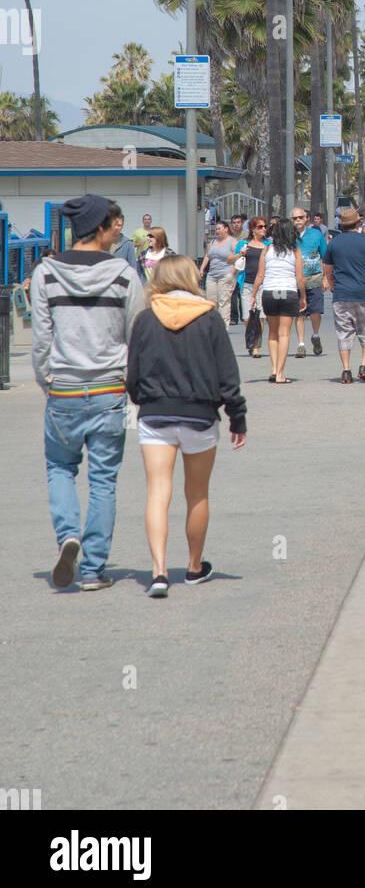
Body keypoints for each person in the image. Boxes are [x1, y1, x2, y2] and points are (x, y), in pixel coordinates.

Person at [30, 194, 144, 591]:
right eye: (114, 223)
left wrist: (48, 381)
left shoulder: (45, 273)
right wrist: (131, 384)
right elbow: (137, 334)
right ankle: (94, 571)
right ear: (99, 228)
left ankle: (68, 536)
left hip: (63, 390)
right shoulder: (125, 275)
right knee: (103, 480)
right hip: (110, 389)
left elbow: (42, 340)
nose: (118, 230)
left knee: (60, 468)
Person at [126, 255, 247, 598]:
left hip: (155, 415)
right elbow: (227, 373)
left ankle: (159, 571)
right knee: (196, 494)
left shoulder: (146, 319)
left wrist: (141, 401)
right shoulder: (208, 316)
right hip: (199, 415)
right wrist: (237, 416)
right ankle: (194, 567)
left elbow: (132, 371)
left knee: (157, 492)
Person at [323, 207, 365, 384]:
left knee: (344, 332)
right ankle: (364, 365)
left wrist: (333, 286)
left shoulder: (334, 243)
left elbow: (328, 269)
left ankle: (346, 370)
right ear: (358, 223)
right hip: (364, 292)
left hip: (341, 293)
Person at [249, 218, 307, 383]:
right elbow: (300, 278)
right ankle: (281, 373)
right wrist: (303, 297)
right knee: (284, 333)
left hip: (269, 292)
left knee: (272, 333)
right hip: (288, 292)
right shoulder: (295, 251)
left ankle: (274, 369)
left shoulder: (267, 250)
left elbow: (260, 275)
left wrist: (253, 294)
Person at [290, 206, 328, 357]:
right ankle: (301, 344)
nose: (298, 220)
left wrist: (326, 278)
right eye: (295, 218)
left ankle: (315, 335)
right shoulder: (289, 236)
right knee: (299, 313)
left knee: (316, 312)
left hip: (315, 278)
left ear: (306, 219)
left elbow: (325, 256)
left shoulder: (316, 235)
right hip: (295, 280)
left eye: (300, 217)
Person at [235, 217, 269, 356]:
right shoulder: (244, 244)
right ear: (253, 229)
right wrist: (240, 253)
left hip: (263, 284)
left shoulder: (268, 244)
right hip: (247, 283)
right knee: (247, 317)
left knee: (260, 316)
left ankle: (256, 346)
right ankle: (251, 339)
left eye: (265, 226)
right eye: (260, 227)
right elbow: (230, 259)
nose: (264, 229)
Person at [199, 220, 236, 328]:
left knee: (223, 301)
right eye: (216, 229)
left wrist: (231, 273)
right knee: (211, 300)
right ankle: (213, 325)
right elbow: (207, 256)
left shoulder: (233, 242)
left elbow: (238, 258)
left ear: (226, 229)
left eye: (219, 229)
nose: (217, 231)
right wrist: (202, 268)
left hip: (226, 274)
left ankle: (224, 326)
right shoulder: (213, 241)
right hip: (212, 275)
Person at [229, 214, 247, 325]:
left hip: (245, 266)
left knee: (243, 292)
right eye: (234, 223)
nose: (236, 225)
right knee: (233, 293)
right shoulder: (229, 236)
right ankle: (233, 317)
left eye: (238, 222)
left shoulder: (247, 235)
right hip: (233, 266)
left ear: (242, 223)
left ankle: (244, 314)